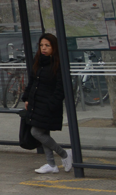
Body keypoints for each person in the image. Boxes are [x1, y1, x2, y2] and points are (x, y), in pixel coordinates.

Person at [22, 33, 72, 174]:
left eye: (47, 46)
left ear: (53, 47)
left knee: (36, 132)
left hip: (48, 105)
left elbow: (60, 88)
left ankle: (65, 154)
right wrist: (26, 98)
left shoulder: (58, 63)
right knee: (44, 133)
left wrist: (52, 104)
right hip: (36, 104)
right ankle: (51, 164)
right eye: (41, 45)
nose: (43, 48)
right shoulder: (38, 61)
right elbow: (32, 82)